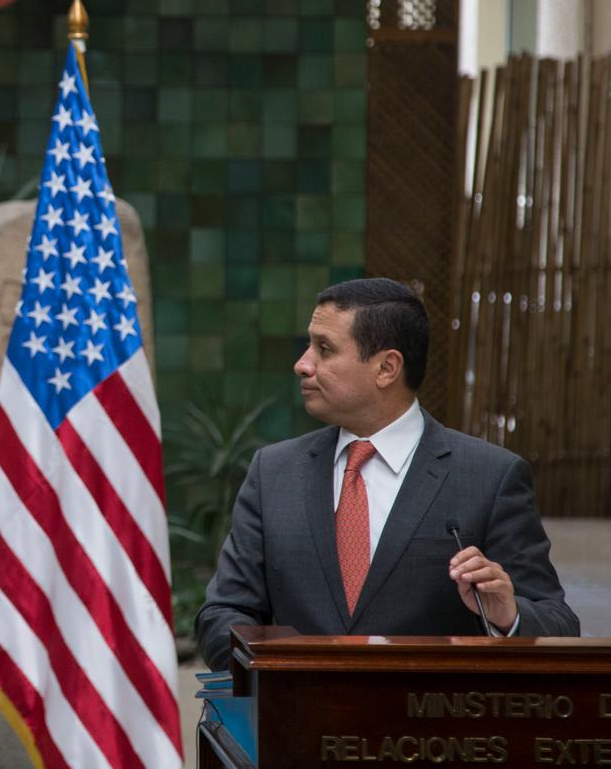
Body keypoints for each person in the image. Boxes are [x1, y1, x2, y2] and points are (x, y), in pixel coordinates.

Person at [196, 277, 578, 669]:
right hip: (296, 720)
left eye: (324, 349)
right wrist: (281, 670)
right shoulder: (273, 473)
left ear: (386, 368)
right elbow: (222, 614)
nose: (303, 364)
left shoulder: (489, 477)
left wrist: (506, 614)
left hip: (431, 725)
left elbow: (558, 624)